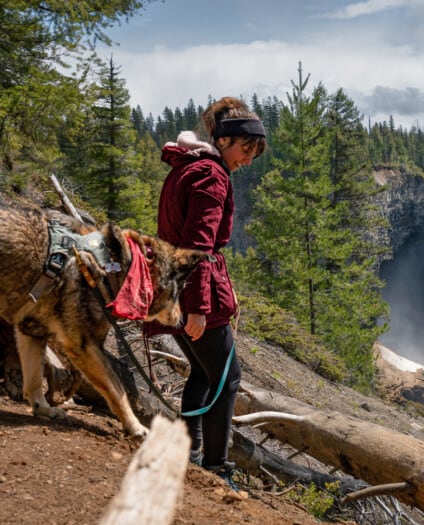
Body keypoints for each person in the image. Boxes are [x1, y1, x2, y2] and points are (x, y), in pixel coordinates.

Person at [145, 97, 266, 491]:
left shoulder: (186, 167)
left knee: (202, 371)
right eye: (246, 149)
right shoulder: (211, 176)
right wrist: (197, 308)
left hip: (172, 288)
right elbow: (197, 245)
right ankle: (217, 468)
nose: (247, 160)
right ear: (225, 139)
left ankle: (189, 452)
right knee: (228, 379)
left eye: (254, 153)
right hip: (196, 294)